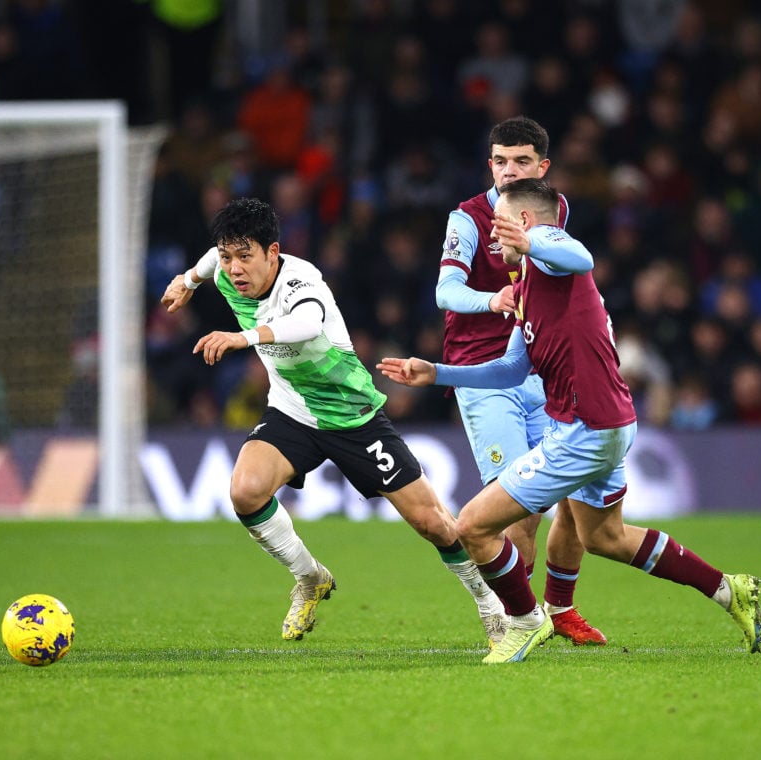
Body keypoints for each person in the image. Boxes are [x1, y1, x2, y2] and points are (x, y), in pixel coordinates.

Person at [380, 178, 761, 663]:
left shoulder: (554, 259)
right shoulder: (524, 287)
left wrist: (531, 239)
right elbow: (511, 369)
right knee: (604, 537)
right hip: (604, 423)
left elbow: (581, 256)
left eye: (499, 228)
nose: (492, 240)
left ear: (524, 224)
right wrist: (435, 373)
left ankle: (523, 622)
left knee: (474, 527)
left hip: (588, 430)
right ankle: (730, 590)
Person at [161, 197, 507, 644]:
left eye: (245, 257)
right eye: (228, 257)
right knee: (246, 492)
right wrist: (187, 280)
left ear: (273, 252)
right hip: (292, 410)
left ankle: (487, 600)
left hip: (352, 417)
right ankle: (310, 577)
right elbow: (210, 260)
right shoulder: (227, 268)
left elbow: (306, 324)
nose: (234, 269)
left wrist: (242, 338)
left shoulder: (302, 282)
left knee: (433, 523)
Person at [437, 116, 606, 644]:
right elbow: (446, 291)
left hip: (542, 369)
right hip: (487, 375)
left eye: (522, 161)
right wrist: (495, 299)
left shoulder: (552, 212)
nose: (510, 172)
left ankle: (559, 609)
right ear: (490, 163)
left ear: (543, 167)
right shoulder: (467, 219)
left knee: (574, 504)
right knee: (518, 508)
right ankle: (519, 617)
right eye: (501, 161)